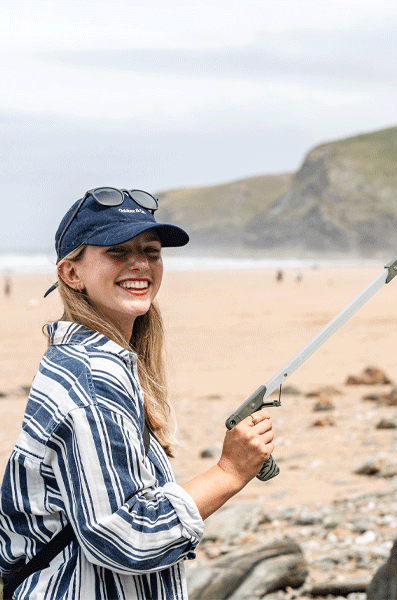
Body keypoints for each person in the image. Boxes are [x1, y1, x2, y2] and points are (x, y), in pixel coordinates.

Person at [0, 188, 274, 599]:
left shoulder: (90, 360)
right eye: (118, 252)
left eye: (151, 251)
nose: (141, 264)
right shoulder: (92, 378)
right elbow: (125, 536)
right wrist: (229, 472)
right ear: (70, 274)